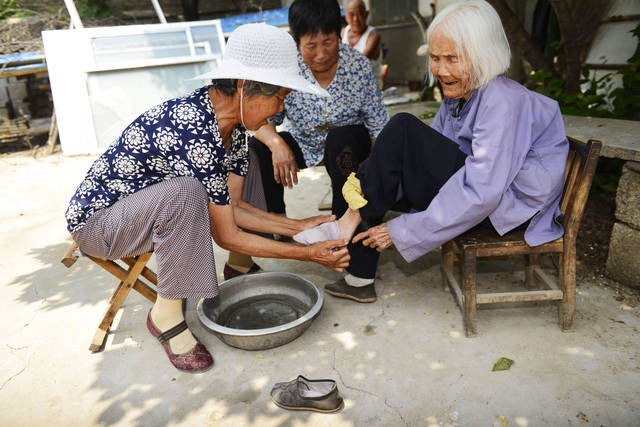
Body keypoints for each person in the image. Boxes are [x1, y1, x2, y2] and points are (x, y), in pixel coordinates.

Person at [65, 23, 350, 373]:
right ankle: (166, 316)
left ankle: (236, 267)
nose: (279, 110)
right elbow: (226, 234)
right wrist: (307, 254)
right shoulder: (193, 125)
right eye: (279, 97)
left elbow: (232, 209)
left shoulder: (233, 131)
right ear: (246, 88)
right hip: (100, 226)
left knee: (221, 182)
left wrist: (298, 226)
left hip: (139, 213)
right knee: (186, 193)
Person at [295, 0, 569, 304]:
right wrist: (377, 173)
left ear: (484, 55)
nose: (440, 70)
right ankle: (355, 259)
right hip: (481, 193)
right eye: (436, 58)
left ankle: (346, 229)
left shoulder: (502, 101)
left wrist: (401, 229)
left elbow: (482, 193)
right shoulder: (464, 93)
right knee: (384, 165)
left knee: (400, 128)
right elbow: (428, 151)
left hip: (507, 211)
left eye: (452, 58)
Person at [223, 0, 388, 280]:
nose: (322, 54)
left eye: (329, 41)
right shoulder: (287, 69)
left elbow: (378, 126)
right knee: (256, 150)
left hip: (349, 142)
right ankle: (274, 226)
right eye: (311, 45)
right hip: (306, 140)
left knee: (340, 142)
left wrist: (375, 171)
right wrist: (276, 144)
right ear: (297, 41)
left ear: (340, 34)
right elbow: (257, 119)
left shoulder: (358, 65)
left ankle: (340, 234)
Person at [341, 0, 383, 88]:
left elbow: (360, 62)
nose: (355, 19)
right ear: (346, 17)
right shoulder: (343, 33)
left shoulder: (373, 35)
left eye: (360, 14)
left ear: (366, 14)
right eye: (351, 15)